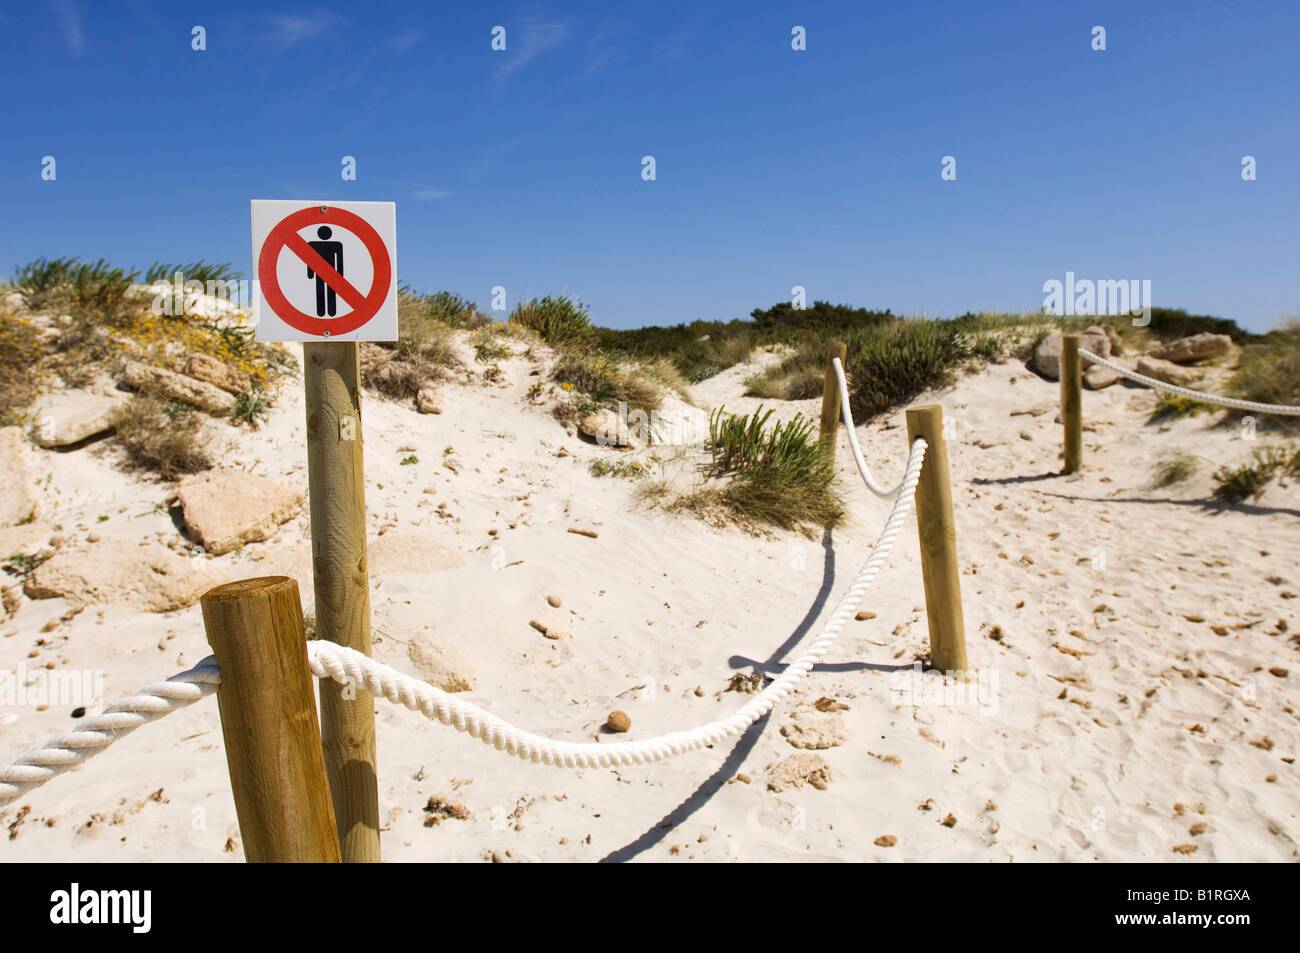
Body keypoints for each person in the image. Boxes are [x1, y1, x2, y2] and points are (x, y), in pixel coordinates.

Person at [306, 226, 344, 317]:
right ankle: (328, 312)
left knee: (322, 290)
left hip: (324, 272)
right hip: (325, 272)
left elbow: (339, 260)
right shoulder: (336, 245)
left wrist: (310, 273)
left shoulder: (313, 244)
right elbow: (340, 261)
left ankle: (324, 312)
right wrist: (340, 274)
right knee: (325, 291)